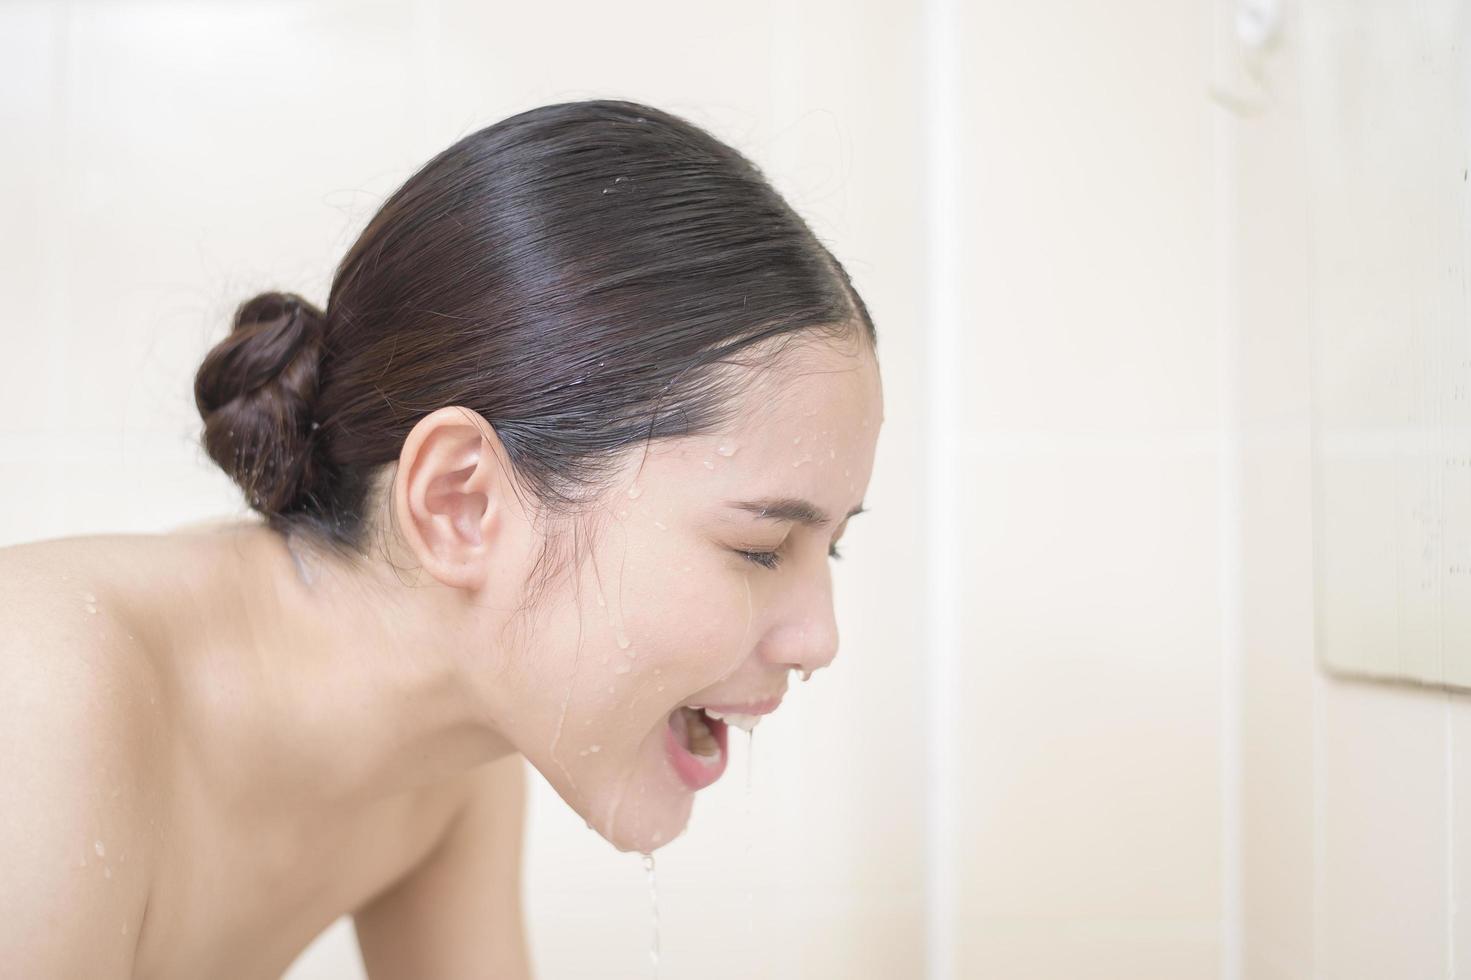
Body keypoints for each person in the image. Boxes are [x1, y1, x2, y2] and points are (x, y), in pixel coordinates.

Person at [0, 98, 883, 979]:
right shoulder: (36, 703)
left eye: (830, 547)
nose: (821, 640)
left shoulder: (451, 750)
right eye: (761, 548)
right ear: (461, 503)